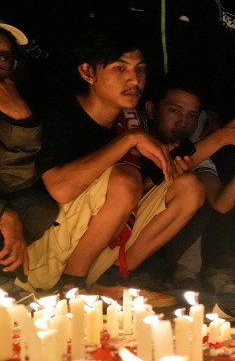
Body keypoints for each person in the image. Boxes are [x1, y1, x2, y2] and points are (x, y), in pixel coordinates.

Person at [19, 30, 206, 302]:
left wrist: (229, 140)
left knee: (189, 187)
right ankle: (71, 287)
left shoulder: (127, 123)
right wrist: (129, 140)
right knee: (123, 180)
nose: (134, 79)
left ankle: (109, 278)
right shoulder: (60, 111)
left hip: (90, 254)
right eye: (120, 68)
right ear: (87, 72)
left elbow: (152, 185)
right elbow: (59, 188)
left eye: (139, 69)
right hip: (39, 257)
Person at [140, 76, 235, 288]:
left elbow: (222, 203)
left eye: (192, 116)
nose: (183, 122)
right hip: (118, 239)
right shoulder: (134, 135)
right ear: (151, 109)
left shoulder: (195, 151)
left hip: (155, 249)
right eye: (174, 111)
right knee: (187, 184)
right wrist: (222, 137)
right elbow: (153, 177)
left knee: (197, 191)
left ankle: (158, 273)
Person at [0, 23, 59, 292]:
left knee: (38, 207)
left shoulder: (11, 100)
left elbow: (15, 181)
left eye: (4, 57)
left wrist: (22, 120)